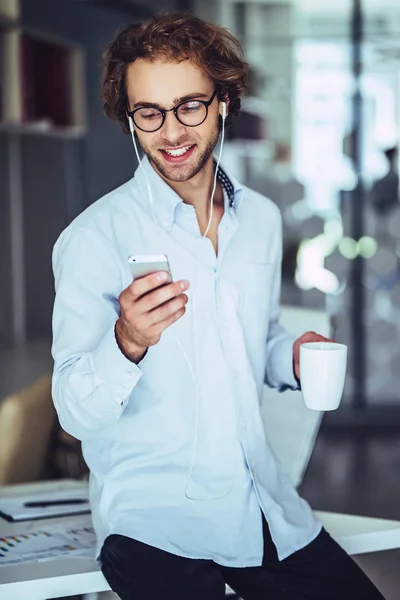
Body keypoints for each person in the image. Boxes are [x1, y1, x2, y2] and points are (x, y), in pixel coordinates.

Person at [51, 12, 385, 600]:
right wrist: (126, 340)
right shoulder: (93, 238)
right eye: (149, 112)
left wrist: (292, 358)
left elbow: (254, 337)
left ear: (224, 102)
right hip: (155, 525)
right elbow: (75, 414)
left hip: (265, 505)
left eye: (190, 106)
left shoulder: (259, 219)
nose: (172, 131)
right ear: (129, 118)